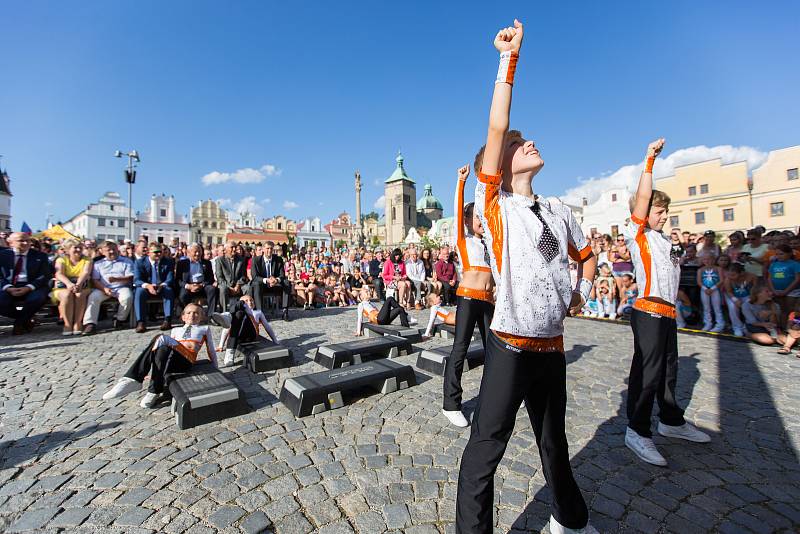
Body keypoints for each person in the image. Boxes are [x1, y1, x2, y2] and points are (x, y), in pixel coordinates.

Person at [456, 20, 599, 534]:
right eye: (520, 144)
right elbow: (497, 129)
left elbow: (586, 255)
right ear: (500, 166)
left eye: (526, 140)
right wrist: (507, 62)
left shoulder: (560, 210)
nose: (528, 141)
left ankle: (570, 520)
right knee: (486, 450)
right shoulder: (495, 207)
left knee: (553, 439)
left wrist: (578, 289)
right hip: (511, 346)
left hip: (553, 345)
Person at [623, 138, 710, 470]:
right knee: (648, 373)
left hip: (667, 313)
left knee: (668, 371)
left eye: (665, 211)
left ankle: (671, 420)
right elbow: (643, 199)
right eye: (658, 211)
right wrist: (649, 162)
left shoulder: (663, 240)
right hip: (647, 310)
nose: (663, 216)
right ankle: (637, 430)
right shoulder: (639, 235)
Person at [443, 163, 496, 428]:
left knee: (494, 351)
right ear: (467, 221)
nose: (481, 222)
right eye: (477, 218)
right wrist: (461, 182)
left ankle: (496, 395)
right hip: (467, 298)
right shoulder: (464, 241)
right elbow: (457, 210)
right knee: (460, 349)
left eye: (483, 218)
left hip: (488, 301)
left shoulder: (490, 244)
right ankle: (451, 404)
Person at [102, 303, 218, 408]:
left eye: (196, 313)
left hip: (187, 361)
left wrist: (216, 369)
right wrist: (155, 368)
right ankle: (153, 392)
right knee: (162, 348)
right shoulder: (176, 330)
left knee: (161, 338)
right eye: (188, 312)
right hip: (174, 360)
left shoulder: (204, 329)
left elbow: (211, 349)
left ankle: (134, 379)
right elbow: (166, 352)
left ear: (202, 317)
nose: (192, 315)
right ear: (183, 317)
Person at [0, 232, 53, 335]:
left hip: (33, 286)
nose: (25, 243)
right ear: (10, 243)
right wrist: (8, 287)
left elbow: (44, 276)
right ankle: (25, 319)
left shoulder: (40, 256)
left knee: (37, 298)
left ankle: (19, 323)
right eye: (21, 241)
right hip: (8, 286)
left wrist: (28, 287)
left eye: (27, 240)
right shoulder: (2, 255)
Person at [82, 241, 134, 335]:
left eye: (113, 249)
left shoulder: (127, 261)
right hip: (103, 288)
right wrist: (104, 289)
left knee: (127, 297)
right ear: (102, 252)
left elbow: (130, 277)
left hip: (121, 287)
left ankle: (119, 319)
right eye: (108, 250)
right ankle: (90, 323)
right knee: (93, 297)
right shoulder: (98, 264)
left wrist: (116, 279)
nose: (111, 252)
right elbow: (95, 280)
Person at [214, 295, 279, 367]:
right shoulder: (237, 314)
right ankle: (227, 317)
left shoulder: (258, 312)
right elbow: (226, 329)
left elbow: (267, 327)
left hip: (251, 334)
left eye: (251, 300)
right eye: (246, 301)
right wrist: (221, 345)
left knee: (239, 313)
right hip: (238, 335)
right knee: (239, 314)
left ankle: (226, 315)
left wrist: (275, 341)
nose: (250, 302)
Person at [51, 239, 92, 335]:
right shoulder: (61, 260)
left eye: (80, 247)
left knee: (79, 294)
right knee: (66, 295)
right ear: (68, 249)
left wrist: (78, 284)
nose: (78, 250)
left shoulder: (87, 260)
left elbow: (85, 272)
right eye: (75, 248)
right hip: (63, 286)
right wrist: (69, 284)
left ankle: (78, 323)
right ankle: (67, 324)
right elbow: (59, 274)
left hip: (82, 286)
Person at [133, 244, 175, 333]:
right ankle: (141, 322)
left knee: (169, 291)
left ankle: (167, 320)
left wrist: (162, 285)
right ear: (148, 252)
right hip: (146, 287)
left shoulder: (168, 262)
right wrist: (148, 286)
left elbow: (170, 278)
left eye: (160, 252)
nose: (159, 254)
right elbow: (137, 279)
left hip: (162, 286)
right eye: (156, 252)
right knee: (139, 292)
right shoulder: (140, 262)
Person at [249, 241, 291, 320]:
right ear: (263, 249)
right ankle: (260, 313)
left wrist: (276, 280)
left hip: (275, 284)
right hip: (263, 284)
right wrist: (267, 280)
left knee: (287, 282)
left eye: (271, 248)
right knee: (256, 284)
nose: (269, 250)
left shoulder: (278, 259)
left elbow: (282, 275)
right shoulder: (256, 260)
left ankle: (285, 311)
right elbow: (255, 277)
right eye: (267, 248)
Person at [175, 243, 218, 317]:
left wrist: (202, 285)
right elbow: (178, 280)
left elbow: (210, 278)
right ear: (189, 252)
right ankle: (184, 316)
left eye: (199, 252)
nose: (198, 254)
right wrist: (188, 286)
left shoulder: (207, 263)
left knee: (212, 289)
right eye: (195, 252)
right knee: (183, 294)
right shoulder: (182, 263)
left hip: (202, 285)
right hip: (189, 285)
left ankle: (212, 315)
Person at [766, 244, 800, 326]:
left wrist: (786, 291)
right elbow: (769, 278)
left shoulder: (795, 264)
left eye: (781, 254)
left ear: (789, 254)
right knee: (781, 310)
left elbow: (797, 279)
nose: (779, 256)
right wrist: (773, 290)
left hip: (792, 291)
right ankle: (783, 327)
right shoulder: (773, 264)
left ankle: (792, 327)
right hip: (777, 291)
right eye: (777, 254)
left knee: (791, 310)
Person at [722, 262, 757, 337]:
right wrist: (735, 300)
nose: (731, 277)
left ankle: (748, 326)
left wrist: (751, 297)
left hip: (747, 295)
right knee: (732, 307)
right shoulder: (728, 279)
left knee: (748, 305)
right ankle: (737, 327)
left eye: (733, 275)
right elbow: (729, 292)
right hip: (732, 295)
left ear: (741, 273)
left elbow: (755, 289)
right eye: (729, 274)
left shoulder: (752, 276)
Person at [696, 253, 725, 332]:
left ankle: (720, 324)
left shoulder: (718, 269)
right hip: (704, 290)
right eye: (705, 259)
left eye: (709, 259)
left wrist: (713, 288)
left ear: (714, 260)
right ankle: (708, 323)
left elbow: (721, 280)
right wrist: (705, 288)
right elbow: (699, 281)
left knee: (717, 307)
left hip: (715, 290)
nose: (707, 261)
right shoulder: (700, 270)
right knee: (706, 307)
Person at [217, 241, 249, 311]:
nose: (234, 249)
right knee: (223, 289)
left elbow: (243, 275)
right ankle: (224, 312)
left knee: (248, 288)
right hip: (227, 286)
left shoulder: (241, 259)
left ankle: (247, 310)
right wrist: (229, 287)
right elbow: (219, 277)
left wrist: (238, 285)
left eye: (235, 247)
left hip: (239, 285)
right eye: (232, 247)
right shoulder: (220, 260)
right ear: (225, 250)